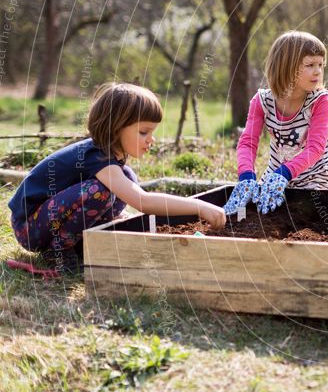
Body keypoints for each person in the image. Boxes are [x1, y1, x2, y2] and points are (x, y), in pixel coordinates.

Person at [8, 83, 226, 273]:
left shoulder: (112, 158)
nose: (151, 139)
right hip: (29, 226)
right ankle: (59, 251)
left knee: (126, 178)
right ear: (115, 129)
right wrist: (198, 206)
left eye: (152, 132)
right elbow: (144, 201)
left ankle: (83, 240)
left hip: (47, 220)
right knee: (99, 192)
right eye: (143, 132)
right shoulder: (97, 156)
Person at [224, 30, 328, 215]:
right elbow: (248, 142)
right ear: (286, 67)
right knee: (248, 215)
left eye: (321, 64)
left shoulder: (320, 101)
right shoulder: (262, 101)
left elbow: (315, 148)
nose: (318, 71)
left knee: (311, 222)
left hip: (319, 180)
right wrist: (246, 176)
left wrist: (284, 173)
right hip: (276, 177)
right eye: (310, 65)